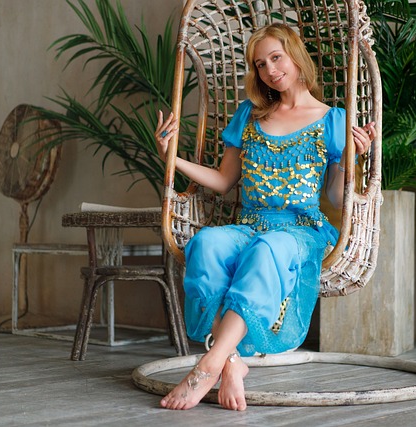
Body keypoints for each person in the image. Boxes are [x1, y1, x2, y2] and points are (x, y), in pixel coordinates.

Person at [154, 23, 375, 411]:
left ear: (295, 55)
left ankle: (208, 364)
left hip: (300, 231)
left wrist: (353, 158)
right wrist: (171, 156)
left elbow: (337, 197)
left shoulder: (334, 119)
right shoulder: (249, 115)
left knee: (268, 248)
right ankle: (232, 362)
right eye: (260, 64)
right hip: (251, 224)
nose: (270, 70)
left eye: (276, 57)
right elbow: (223, 181)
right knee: (206, 241)